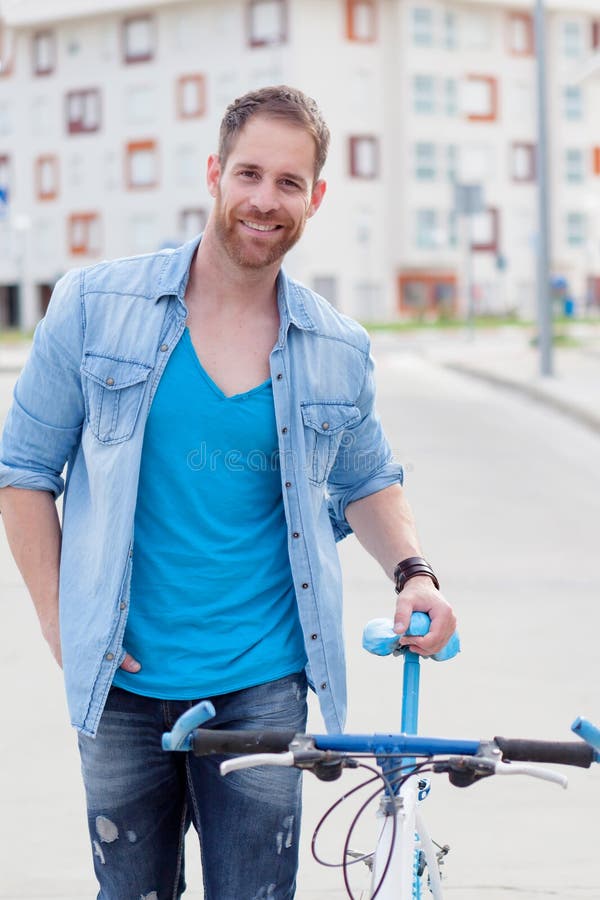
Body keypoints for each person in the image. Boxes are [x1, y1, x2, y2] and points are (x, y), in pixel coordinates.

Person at [0, 85, 455, 899]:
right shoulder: (97, 307)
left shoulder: (334, 348)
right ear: (214, 173)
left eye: (289, 183)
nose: (264, 200)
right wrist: (57, 617)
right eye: (249, 173)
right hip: (123, 684)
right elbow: (24, 470)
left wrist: (414, 571)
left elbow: (369, 480)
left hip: (261, 685)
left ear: (315, 198)